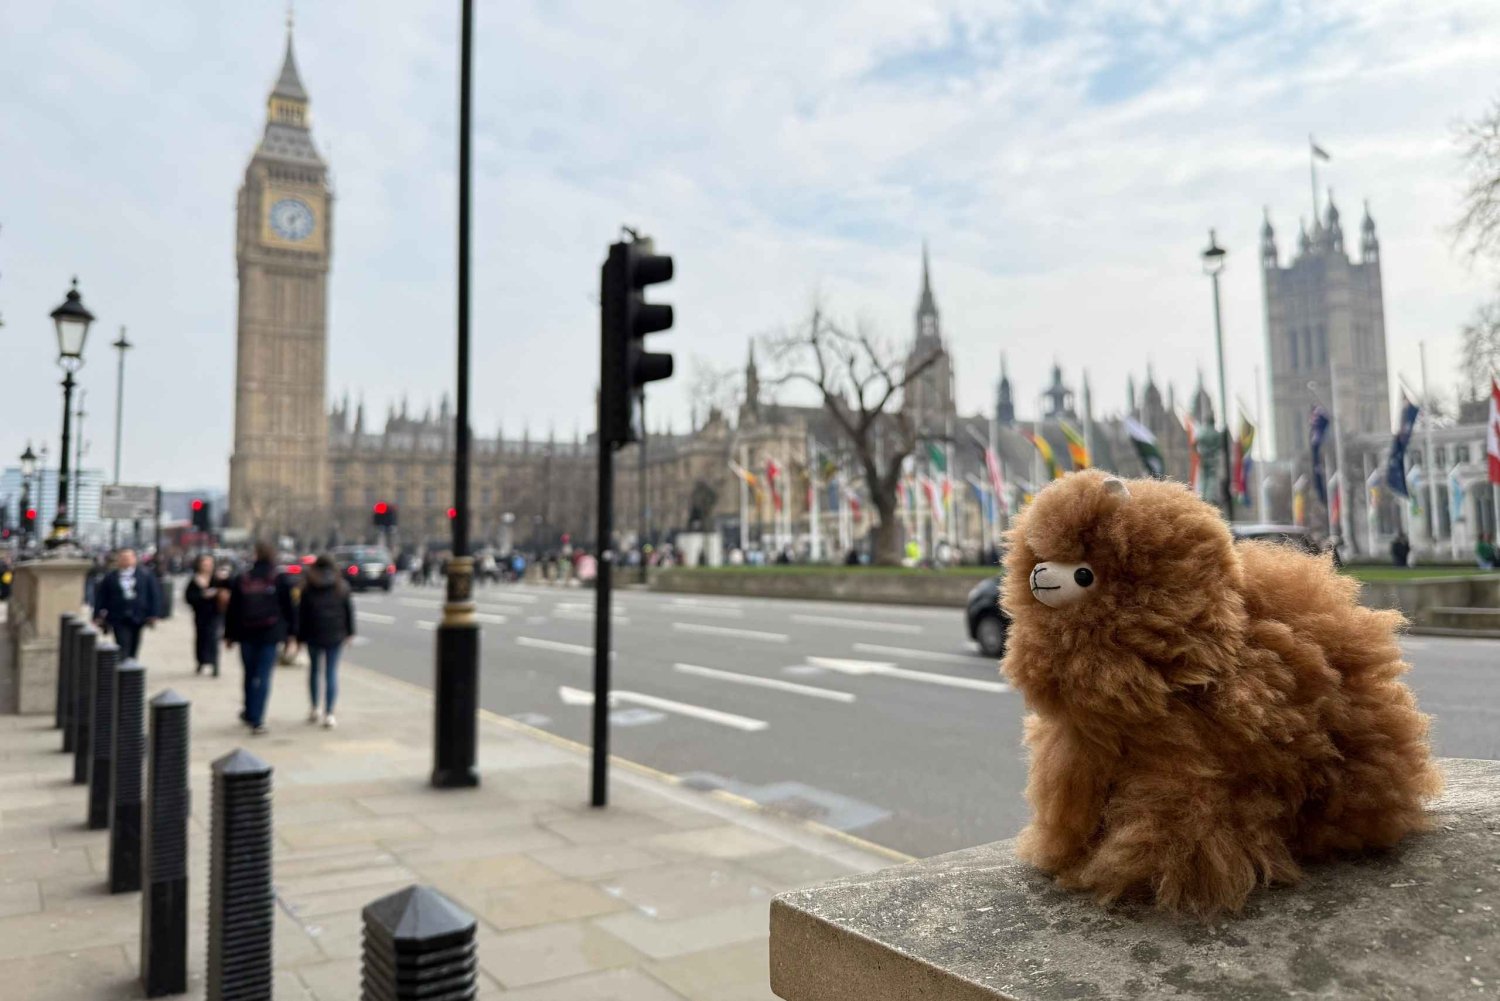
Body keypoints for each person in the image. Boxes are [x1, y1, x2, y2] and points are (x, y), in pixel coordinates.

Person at [224, 540, 298, 735]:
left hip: (246, 632)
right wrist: (291, 634)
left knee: (249, 673)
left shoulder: (243, 577)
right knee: (263, 675)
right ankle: (258, 719)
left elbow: (233, 609)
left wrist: (229, 635)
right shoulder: (279, 578)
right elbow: (289, 608)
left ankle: (249, 711)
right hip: (271, 633)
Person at [296, 554, 354, 729]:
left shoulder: (308, 586)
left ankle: (314, 708)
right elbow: (348, 611)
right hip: (335, 634)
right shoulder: (341, 586)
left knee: (314, 671)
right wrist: (350, 633)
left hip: (313, 633)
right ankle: (329, 713)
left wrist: (299, 638)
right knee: (331, 673)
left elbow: (302, 615)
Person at [93, 548, 163, 660]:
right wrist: (97, 615)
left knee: (135, 643)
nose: (126, 560)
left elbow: (154, 595)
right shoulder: (111, 577)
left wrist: (154, 614)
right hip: (118, 616)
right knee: (122, 643)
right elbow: (101, 597)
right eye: (123, 558)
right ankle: (124, 664)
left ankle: (131, 662)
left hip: (138, 616)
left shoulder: (145, 575)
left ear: (134, 559)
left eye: (128, 558)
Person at [183, 554, 228, 676]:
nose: (207, 566)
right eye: (204, 564)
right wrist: (202, 596)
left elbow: (228, 590)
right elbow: (188, 597)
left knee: (214, 637)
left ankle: (214, 663)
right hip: (201, 613)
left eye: (209, 564)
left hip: (216, 612)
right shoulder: (194, 580)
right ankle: (201, 661)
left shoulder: (217, 579)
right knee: (201, 637)